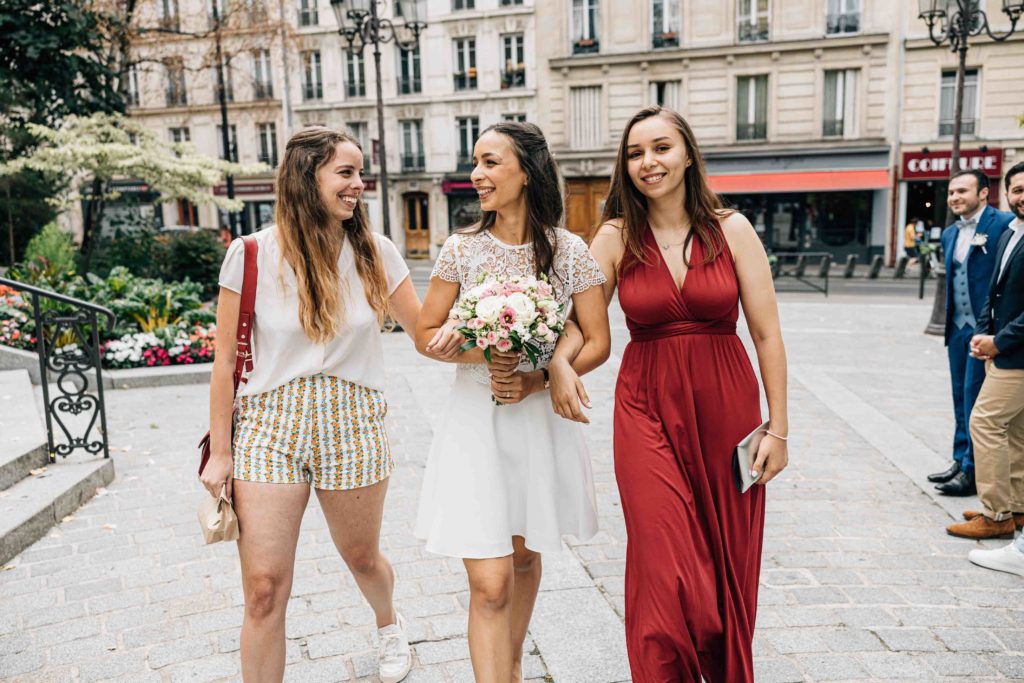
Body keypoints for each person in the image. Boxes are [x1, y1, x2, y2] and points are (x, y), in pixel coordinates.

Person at [200, 127, 461, 683]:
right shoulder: (250, 255)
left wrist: (499, 334)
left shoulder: (375, 252)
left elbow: (424, 334)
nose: (358, 184)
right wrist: (220, 453)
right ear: (305, 177)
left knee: (362, 557)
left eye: (360, 173)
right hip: (270, 425)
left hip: (352, 420)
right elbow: (223, 363)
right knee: (263, 588)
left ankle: (389, 623)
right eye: (345, 173)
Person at [551, 105, 788, 682]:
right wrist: (557, 360)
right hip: (645, 406)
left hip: (727, 411)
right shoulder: (614, 237)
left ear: (687, 155)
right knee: (665, 561)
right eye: (635, 153)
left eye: (661, 148)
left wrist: (778, 430)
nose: (648, 162)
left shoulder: (732, 229)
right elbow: (580, 324)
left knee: (726, 561)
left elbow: (766, 333)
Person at [414, 121, 611, 683]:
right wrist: (483, 347)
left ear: (526, 172)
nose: (476, 174)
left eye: (490, 162)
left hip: (536, 424)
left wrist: (542, 378)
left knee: (524, 558)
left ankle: (514, 662)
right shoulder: (461, 249)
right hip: (475, 424)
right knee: (490, 581)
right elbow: (427, 333)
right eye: (475, 162)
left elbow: (597, 339)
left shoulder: (569, 251)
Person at [948, 161, 1024, 547]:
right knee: (1016, 430)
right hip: (998, 344)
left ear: (983, 194)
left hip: (1016, 352)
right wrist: (983, 333)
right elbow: (994, 291)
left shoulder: (1003, 228)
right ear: (1006, 194)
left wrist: (1000, 341)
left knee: (986, 422)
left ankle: (996, 515)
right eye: (1018, 190)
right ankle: (1017, 507)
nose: (1022, 196)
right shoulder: (1013, 232)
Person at [928, 170, 1013, 497]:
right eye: (951, 193)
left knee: (976, 398)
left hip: (986, 329)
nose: (955, 198)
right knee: (959, 396)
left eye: (962, 191)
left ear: (984, 193)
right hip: (958, 328)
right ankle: (959, 458)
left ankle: (973, 470)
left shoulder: (1003, 223)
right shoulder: (950, 233)